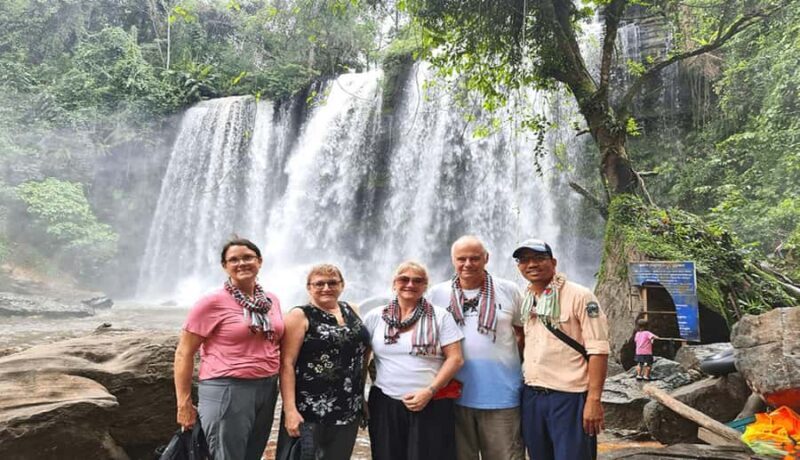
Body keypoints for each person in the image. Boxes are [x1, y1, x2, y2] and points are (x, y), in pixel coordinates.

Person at [173, 238, 284, 460]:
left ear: (260, 261)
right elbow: (184, 352)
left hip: (267, 387)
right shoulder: (211, 302)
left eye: (248, 257)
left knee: (253, 454)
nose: (241, 263)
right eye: (234, 260)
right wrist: (183, 402)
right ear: (225, 266)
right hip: (227, 388)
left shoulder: (271, 300)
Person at [427, 236, 525, 460]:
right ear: (453, 260)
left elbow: (523, 333)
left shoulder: (509, 290)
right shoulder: (437, 294)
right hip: (453, 396)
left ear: (486, 258)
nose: (468, 264)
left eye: (475, 258)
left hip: (502, 395)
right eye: (461, 259)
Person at [513, 238, 610, 460]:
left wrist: (594, 400)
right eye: (524, 260)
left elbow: (598, 349)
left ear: (553, 262)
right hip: (532, 396)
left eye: (539, 258)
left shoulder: (580, 296)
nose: (532, 264)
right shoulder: (527, 299)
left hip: (569, 397)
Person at [362, 261, 465, 460]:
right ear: (394, 283)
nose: (410, 284)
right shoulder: (375, 316)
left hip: (431, 401)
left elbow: (455, 358)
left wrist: (429, 391)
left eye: (417, 281)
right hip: (385, 402)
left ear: (425, 286)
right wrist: (359, 398)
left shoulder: (441, 316)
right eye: (404, 279)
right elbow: (362, 360)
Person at [277, 264, 369, 460]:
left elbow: (360, 356)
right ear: (309, 287)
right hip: (310, 409)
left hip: (349, 407)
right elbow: (286, 364)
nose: (326, 288)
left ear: (342, 285)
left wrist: (361, 398)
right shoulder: (299, 316)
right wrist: (290, 410)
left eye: (332, 283)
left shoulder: (352, 309)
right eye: (319, 284)